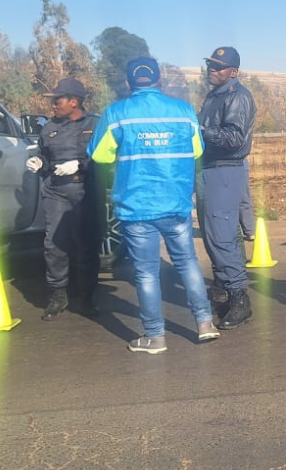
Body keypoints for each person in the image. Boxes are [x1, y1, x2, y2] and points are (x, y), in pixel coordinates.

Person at [88, 57, 219, 354]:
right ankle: (205, 323)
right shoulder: (183, 112)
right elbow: (198, 149)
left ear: (127, 83)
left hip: (137, 206)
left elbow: (99, 155)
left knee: (146, 272)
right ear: (160, 80)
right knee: (187, 262)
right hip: (176, 202)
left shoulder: (116, 113)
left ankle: (155, 337)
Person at [26, 78, 101, 320]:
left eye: (57, 100)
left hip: (84, 190)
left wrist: (80, 164)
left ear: (74, 101)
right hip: (56, 191)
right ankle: (58, 294)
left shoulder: (95, 124)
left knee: (86, 244)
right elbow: (43, 154)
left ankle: (87, 295)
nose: (53, 105)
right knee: (54, 245)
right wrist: (39, 162)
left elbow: (106, 157)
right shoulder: (49, 127)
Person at [197, 46, 257, 330]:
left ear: (234, 72)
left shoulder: (237, 97)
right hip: (210, 169)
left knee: (222, 236)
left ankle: (239, 299)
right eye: (210, 64)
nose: (212, 69)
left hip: (225, 170)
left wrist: (199, 132)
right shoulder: (215, 95)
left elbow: (234, 138)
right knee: (214, 236)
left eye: (218, 66)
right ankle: (223, 291)